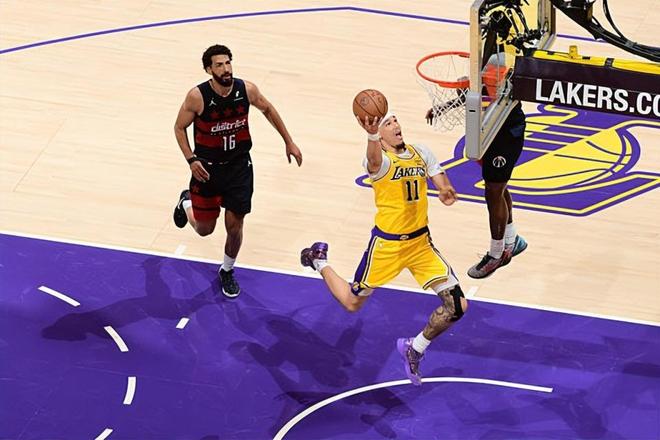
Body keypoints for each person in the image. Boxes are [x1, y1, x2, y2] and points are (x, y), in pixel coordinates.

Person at [300, 109, 468, 386]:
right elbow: (374, 160)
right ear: (380, 136)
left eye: (395, 120)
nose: (395, 125)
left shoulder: (421, 152)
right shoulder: (379, 161)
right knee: (352, 303)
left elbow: (442, 182)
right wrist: (370, 134)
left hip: (420, 244)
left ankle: (415, 348)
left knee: (458, 306)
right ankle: (319, 260)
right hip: (387, 246)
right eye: (387, 123)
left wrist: (445, 190)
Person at [173, 44, 303, 298]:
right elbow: (179, 128)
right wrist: (191, 159)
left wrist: (289, 141)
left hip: (239, 167)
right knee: (204, 230)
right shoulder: (197, 97)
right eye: (219, 65)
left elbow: (268, 109)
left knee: (235, 225)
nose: (226, 69)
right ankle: (186, 201)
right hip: (207, 170)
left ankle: (227, 270)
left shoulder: (247, 90)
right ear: (209, 70)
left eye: (228, 63)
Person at [425, 53, 528, 279]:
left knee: (494, 191)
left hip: (507, 136)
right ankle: (512, 240)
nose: (489, 79)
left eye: (493, 77)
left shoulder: (511, 87)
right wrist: (445, 106)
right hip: (488, 133)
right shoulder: (483, 78)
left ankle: (497, 254)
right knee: (498, 187)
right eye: (488, 76)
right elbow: (471, 94)